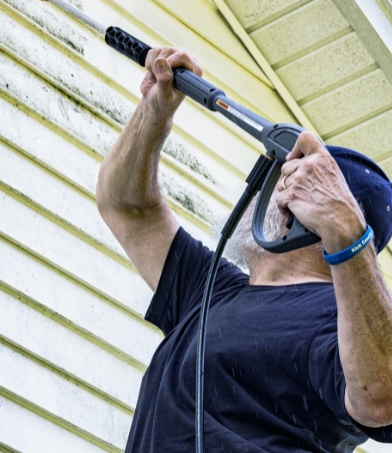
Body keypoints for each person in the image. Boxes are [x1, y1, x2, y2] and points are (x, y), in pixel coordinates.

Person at [96, 47, 392, 452]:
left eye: (281, 180)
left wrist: (346, 230)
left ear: (305, 215)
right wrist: (155, 111)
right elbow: (127, 209)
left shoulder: (338, 319)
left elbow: (382, 399)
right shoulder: (213, 288)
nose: (257, 193)